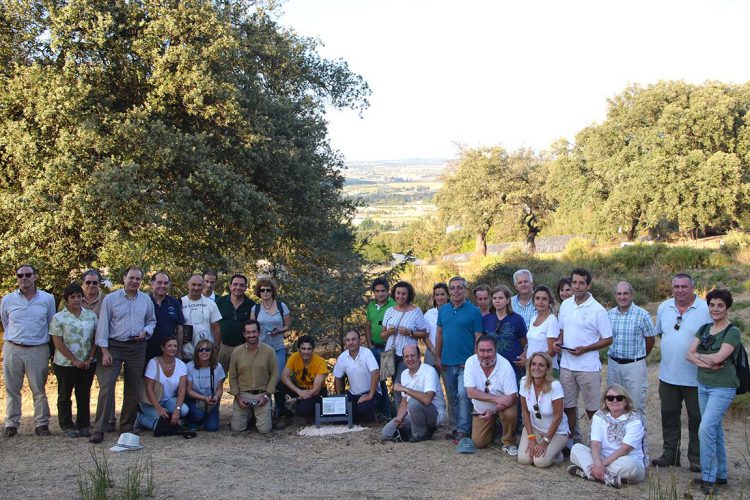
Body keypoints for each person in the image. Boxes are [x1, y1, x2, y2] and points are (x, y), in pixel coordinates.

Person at [90, 266, 156, 443]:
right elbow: (103, 326)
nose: (134, 281)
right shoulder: (111, 299)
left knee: (133, 387)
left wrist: (146, 331)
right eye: (131, 278)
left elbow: (151, 321)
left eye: (138, 279)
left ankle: (127, 426)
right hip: (114, 346)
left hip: (137, 347)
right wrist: (104, 351)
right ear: (124, 278)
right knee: (107, 386)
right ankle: (99, 428)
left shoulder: (145, 300)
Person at [651, 273, 710, 471]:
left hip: (696, 376)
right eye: (676, 287)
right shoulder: (664, 307)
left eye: (684, 286)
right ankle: (670, 454)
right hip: (668, 375)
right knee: (668, 416)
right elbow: (660, 333)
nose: (680, 290)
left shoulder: (705, 308)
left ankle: (696, 457)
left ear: (693, 287)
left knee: (696, 418)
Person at [686, 288, 742, 494]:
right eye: (712, 305)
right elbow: (688, 354)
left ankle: (708, 477)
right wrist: (707, 362)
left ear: (727, 307)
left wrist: (700, 358)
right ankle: (721, 475)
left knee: (705, 429)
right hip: (703, 385)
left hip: (723, 387)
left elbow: (719, 358)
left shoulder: (732, 332)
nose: (715, 309)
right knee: (715, 430)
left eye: (720, 305)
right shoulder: (704, 329)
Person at [557, 268, 612, 444]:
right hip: (566, 365)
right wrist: (559, 343)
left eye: (581, 283)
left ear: (588, 285)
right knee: (568, 407)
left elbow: (608, 339)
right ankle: (571, 442)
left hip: (588, 367)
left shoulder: (598, 309)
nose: (577, 286)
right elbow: (562, 331)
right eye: (574, 282)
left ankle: (596, 443)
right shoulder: (566, 305)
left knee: (593, 409)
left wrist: (586, 349)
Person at [2, 264, 57, 437]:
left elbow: (51, 323)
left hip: (37, 349)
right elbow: (5, 322)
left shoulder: (47, 299)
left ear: (35, 276)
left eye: (27, 274)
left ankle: (41, 424)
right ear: (17, 278)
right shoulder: (7, 300)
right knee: (12, 389)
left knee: (39, 389)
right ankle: (11, 424)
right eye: (20, 275)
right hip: (13, 348)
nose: (24, 278)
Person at [568, 385, 648, 489]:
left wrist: (601, 465)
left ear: (626, 401)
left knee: (631, 466)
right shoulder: (599, 416)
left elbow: (625, 449)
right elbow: (595, 443)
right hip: (601, 459)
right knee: (576, 448)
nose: (614, 401)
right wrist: (597, 462)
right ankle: (606, 478)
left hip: (624, 460)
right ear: (605, 401)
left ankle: (587, 472)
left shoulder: (635, 420)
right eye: (610, 398)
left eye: (619, 398)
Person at [435, 276, 483, 441]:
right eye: (453, 288)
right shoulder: (443, 310)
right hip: (447, 361)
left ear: (465, 290)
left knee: (464, 395)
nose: (456, 291)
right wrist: (438, 356)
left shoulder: (474, 311)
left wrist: (474, 361)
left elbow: (478, 338)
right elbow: (439, 334)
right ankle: (454, 427)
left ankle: (464, 429)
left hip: (466, 363)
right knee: (452, 396)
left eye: (459, 288)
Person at [49, 283, 98, 437]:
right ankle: (67, 425)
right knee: (65, 394)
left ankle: (83, 424)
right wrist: (74, 360)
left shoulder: (90, 315)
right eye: (72, 297)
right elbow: (58, 342)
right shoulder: (58, 318)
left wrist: (90, 357)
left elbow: (96, 338)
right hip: (65, 363)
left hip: (87, 362)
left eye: (78, 296)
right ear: (66, 299)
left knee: (83, 393)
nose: (76, 300)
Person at [464, 335, 519, 454]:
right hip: (482, 409)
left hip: (504, 407)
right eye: (482, 351)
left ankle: (508, 442)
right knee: (479, 443)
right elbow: (470, 392)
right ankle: (496, 428)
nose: (486, 355)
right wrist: (497, 399)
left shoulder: (505, 365)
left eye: (489, 350)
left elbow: (511, 397)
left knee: (510, 413)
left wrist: (494, 410)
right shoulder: (470, 362)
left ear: (496, 350)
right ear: (476, 351)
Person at [607, 281, 655, 413]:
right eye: (619, 294)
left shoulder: (642, 315)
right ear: (615, 296)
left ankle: (638, 434)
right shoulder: (609, 315)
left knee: (635, 406)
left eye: (625, 293)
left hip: (634, 367)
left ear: (632, 295)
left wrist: (641, 356)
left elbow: (650, 339)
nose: (622, 297)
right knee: (614, 404)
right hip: (613, 366)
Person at [382, 344, 445, 442]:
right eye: (406, 356)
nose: (409, 359)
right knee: (386, 432)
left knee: (413, 403)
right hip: (413, 413)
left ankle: (420, 434)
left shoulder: (429, 371)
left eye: (412, 355)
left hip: (434, 414)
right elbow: (404, 402)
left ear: (419, 356)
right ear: (403, 359)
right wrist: (399, 419)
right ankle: (415, 431)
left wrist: (405, 389)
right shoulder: (404, 374)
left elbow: (427, 399)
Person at [381, 280, 428, 407]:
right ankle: (398, 415)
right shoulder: (389, 311)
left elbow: (424, 333)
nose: (400, 296)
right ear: (394, 294)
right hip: (390, 354)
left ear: (409, 295)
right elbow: (383, 335)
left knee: (399, 386)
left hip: (407, 355)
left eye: (403, 294)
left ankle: (403, 419)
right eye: (398, 293)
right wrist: (389, 332)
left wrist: (410, 332)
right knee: (392, 384)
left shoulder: (415, 311)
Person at [518, 352, 569, 467]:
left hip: (556, 432)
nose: (536, 368)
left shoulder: (555, 386)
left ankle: (557, 454)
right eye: (534, 364)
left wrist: (545, 442)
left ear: (547, 368)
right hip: (535, 429)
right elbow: (525, 413)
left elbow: (558, 417)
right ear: (529, 366)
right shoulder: (524, 382)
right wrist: (531, 438)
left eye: (541, 365)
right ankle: (545, 448)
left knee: (540, 462)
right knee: (524, 459)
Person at [251, 277, 291, 419]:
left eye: (268, 290)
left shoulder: (281, 306)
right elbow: (251, 328)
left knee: (278, 378)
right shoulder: (255, 309)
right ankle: (262, 409)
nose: (265, 292)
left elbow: (288, 325)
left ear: (272, 291)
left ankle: (280, 408)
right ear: (259, 292)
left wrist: (279, 331)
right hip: (261, 349)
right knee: (263, 378)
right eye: (262, 290)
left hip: (278, 348)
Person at [228, 320, 277, 433]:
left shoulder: (269, 351)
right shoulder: (237, 352)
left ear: (259, 332)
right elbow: (232, 376)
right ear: (244, 334)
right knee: (237, 428)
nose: (251, 335)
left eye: (254, 332)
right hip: (243, 395)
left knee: (265, 430)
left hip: (262, 394)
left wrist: (267, 395)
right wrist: (237, 397)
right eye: (248, 332)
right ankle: (250, 416)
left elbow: (274, 375)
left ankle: (259, 416)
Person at [136, 336, 189, 430]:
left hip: (168, 400)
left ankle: (166, 420)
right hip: (150, 402)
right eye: (169, 346)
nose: (172, 348)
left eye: (175, 346)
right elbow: (149, 388)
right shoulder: (153, 363)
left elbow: (182, 390)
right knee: (161, 424)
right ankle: (140, 418)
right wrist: (158, 408)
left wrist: (177, 410)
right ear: (162, 348)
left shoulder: (181, 365)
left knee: (184, 410)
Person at [333, 330, 381, 423]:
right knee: (340, 417)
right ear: (345, 342)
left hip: (372, 391)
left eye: (353, 339)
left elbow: (375, 372)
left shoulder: (366, 353)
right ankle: (358, 418)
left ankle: (371, 417)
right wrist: (339, 398)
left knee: (363, 407)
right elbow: (338, 378)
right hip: (353, 394)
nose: (350, 342)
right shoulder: (342, 357)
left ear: (359, 341)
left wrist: (370, 395)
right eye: (348, 340)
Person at [364, 277, 395, 416]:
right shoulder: (371, 306)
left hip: (388, 349)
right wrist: (369, 344)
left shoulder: (393, 305)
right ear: (373, 293)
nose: (380, 294)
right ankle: (384, 413)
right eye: (377, 291)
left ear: (388, 291)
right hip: (374, 348)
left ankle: (394, 412)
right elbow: (368, 325)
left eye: (383, 291)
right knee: (379, 381)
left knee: (392, 379)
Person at [483, 285, 527, 376]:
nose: (497, 300)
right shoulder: (486, 319)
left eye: (500, 298)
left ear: (507, 300)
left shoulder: (517, 319)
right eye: (494, 298)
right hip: (492, 365)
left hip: (513, 365)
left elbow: (524, 341)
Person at [281, 335, 328, 421]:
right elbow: (284, 376)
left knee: (302, 410)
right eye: (303, 348)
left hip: (316, 393)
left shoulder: (320, 362)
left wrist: (297, 398)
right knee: (280, 385)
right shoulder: (294, 357)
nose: (306, 352)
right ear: (298, 349)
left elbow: (316, 389)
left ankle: (303, 408)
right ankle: (284, 414)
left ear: (313, 350)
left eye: (309, 349)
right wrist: (299, 391)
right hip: (300, 388)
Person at [216, 274, 255, 373]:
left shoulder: (251, 305)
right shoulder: (219, 302)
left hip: (242, 348)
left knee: (241, 378)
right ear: (230, 286)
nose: (238, 287)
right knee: (218, 378)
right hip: (222, 347)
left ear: (246, 287)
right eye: (235, 284)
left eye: (241, 285)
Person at [186, 339, 226, 432]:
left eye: (207, 349)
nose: (204, 352)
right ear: (196, 352)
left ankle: (206, 417)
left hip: (211, 401)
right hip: (195, 400)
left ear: (212, 352)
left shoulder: (217, 367)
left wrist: (215, 398)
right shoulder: (189, 366)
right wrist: (203, 398)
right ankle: (192, 420)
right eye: (201, 349)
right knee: (198, 414)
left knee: (212, 428)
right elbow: (189, 391)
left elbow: (220, 389)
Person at [520, 286, 560, 377]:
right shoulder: (533, 318)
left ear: (549, 301)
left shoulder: (551, 320)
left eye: (544, 299)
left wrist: (530, 362)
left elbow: (552, 351)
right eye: (537, 298)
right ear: (533, 301)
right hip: (532, 369)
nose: (540, 302)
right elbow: (531, 344)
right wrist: (522, 356)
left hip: (547, 369)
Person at [180, 274, 222, 360]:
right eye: (193, 284)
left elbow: (216, 328)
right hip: (186, 354)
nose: (196, 288)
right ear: (188, 285)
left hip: (206, 353)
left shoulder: (211, 303)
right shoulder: (180, 302)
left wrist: (216, 349)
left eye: (199, 285)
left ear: (203, 285)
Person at [147, 271, 185, 363]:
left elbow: (180, 328)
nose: (163, 286)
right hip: (146, 352)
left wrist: (178, 351)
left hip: (168, 353)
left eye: (166, 283)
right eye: (159, 282)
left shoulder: (174, 302)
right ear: (152, 284)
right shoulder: (144, 301)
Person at [423, 283, 449, 367]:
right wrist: (433, 349)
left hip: (448, 354)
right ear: (434, 297)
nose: (440, 297)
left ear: (448, 296)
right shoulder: (429, 314)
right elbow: (425, 335)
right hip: (431, 352)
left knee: (447, 380)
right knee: (430, 379)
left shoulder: (453, 312)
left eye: (442, 294)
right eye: (437, 295)